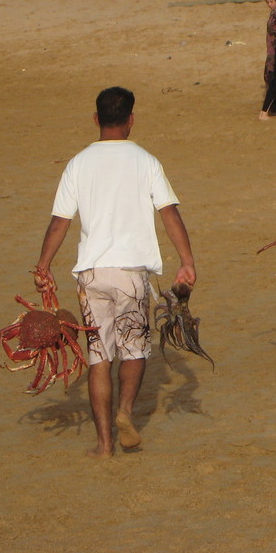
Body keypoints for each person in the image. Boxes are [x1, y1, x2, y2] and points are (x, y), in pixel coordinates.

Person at [34, 87, 196, 459]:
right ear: (131, 120)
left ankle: (104, 444)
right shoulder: (146, 161)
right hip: (130, 271)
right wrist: (187, 260)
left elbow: (60, 222)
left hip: (91, 273)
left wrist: (43, 265)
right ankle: (125, 413)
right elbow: (169, 213)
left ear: (96, 119)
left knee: (98, 356)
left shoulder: (78, 163)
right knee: (135, 348)